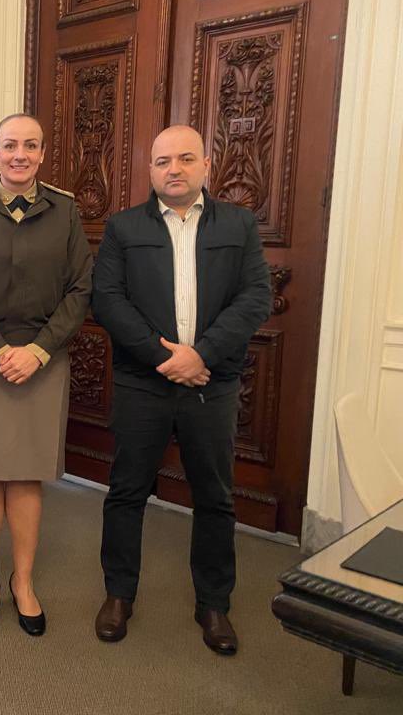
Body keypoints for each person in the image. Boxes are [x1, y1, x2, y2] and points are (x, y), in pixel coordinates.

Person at [90, 124, 271, 655]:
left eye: (185, 158)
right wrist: (168, 358)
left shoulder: (239, 225)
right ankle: (118, 594)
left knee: (215, 496)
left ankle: (213, 603)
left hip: (210, 384)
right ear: (151, 171)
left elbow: (256, 297)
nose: (174, 169)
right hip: (142, 382)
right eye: (163, 160)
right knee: (126, 491)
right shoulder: (123, 227)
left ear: (206, 165)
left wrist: (202, 356)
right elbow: (108, 300)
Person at [0, 114, 92, 637]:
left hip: (42, 360)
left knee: (27, 475)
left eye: (30, 145)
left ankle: (23, 582)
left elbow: (80, 290)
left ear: (43, 154)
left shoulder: (66, 211)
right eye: (10, 146)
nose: (19, 154)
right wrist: (0, 348)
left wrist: (37, 350)